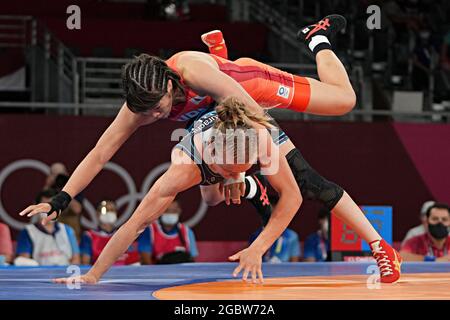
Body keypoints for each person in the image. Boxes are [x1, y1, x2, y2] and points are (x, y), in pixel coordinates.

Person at [18, 15, 402, 283]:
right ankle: (223, 64)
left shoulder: (190, 72)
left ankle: (316, 36)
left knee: (340, 109)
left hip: (251, 91)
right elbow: (101, 153)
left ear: (170, 84)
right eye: (148, 111)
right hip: (215, 114)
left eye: (159, 107)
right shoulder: (142, 104)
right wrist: (62, 197)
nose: (154, 115)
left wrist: (238, 171)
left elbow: (252, 118)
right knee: (213, 193)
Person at [21, 97, 302, 283]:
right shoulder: (183, 167)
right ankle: (240, 181)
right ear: (213, 155)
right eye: (229, 169)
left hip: (234, 138)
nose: (233, 173)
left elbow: (293, 197)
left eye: (243, 167)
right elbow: (135, 224)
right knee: (213, 198)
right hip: (204, 152)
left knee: (232, 186)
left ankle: (248, 183)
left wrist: (258, 247)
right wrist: (92, 275)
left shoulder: (260, 137)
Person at [16, 189, 80, 266]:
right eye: (44, 205)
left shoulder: (67, 230)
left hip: (65, 274)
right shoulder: (28, 231)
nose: (48, 210)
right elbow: (24, 260)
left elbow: (76, 259)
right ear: (36, 207)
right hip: (39, 275)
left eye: (51, 206)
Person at [79, 200, 139, 265]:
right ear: (97, 214)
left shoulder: (124, 235)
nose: (109, 213)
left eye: (112, 210)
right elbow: (85, 263)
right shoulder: (89, 236)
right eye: (105, 210)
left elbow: (134, 262)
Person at [138, 200, 198, 264]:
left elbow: (192, 261)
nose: (170, 214)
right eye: (167, 211)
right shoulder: (149, 230)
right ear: (160, 211)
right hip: (157, 272)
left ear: (179, 211)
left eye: (174, 211)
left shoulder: (187, 232)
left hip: (180, 272)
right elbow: (145, 261)